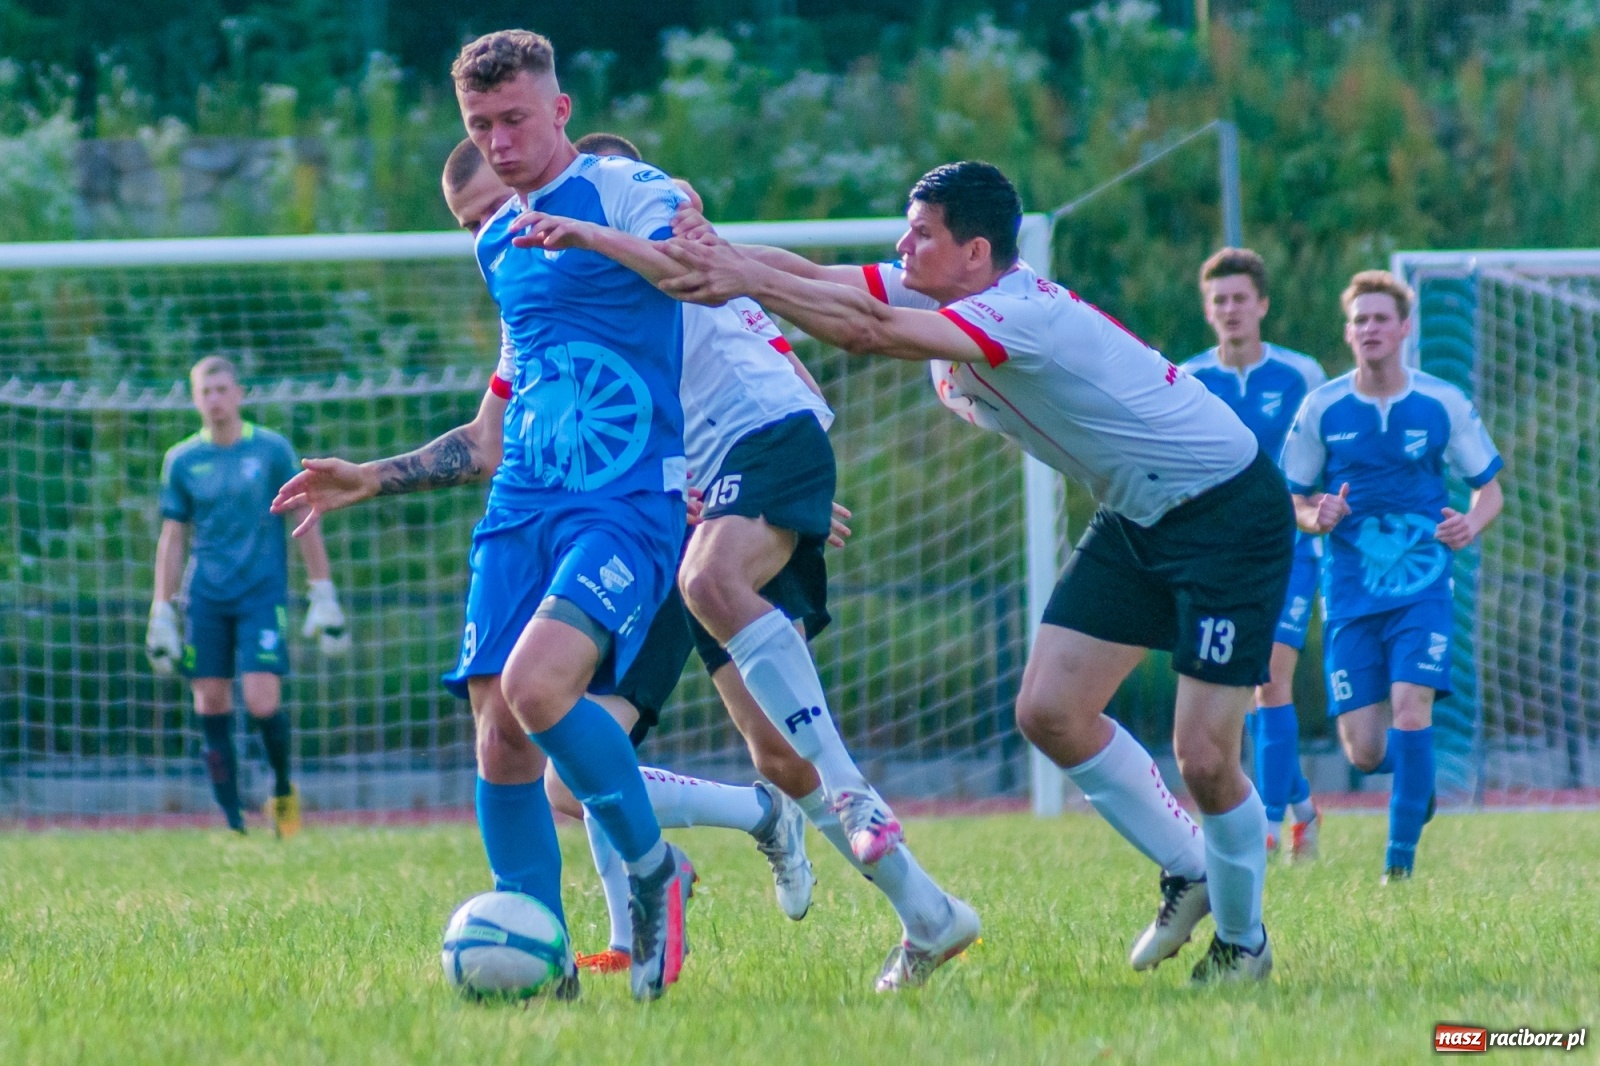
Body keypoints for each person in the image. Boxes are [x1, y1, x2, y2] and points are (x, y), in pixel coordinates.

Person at [567, 159, 1296, 983]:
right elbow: (816, 276)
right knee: (1051, 712)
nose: (901, 247)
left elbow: (867, 331)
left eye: (921, 235)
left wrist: (737, 277)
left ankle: (1244, 944)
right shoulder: (939, 290)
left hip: (1226, 512)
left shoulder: (1021, 313)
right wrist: (719, 251)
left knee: (1204, 758)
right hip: (1139, 514)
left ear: (976, 253)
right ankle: (1189, 869)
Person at [497, 132, 978, 990]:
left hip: (754, 452)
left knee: (710, 580)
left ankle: (852, 793)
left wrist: (782, 485)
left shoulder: (654, 229)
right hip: (680, 502)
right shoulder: (564, 297)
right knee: (756, 757)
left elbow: (774, 364)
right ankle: (927, 914)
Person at [274, 30, 694, 1002]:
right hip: (520, 508)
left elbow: (693, 273)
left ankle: (653, 870)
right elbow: (493, 428)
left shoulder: (629, 192)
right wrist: (369, 477)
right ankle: (543, 956)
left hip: (624, 500)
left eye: (514, 120)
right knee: (500, 733)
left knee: (539, 686)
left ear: (559, 109)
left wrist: (589, 236)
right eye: (480, 127)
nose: (499, 143)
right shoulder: (497, 240)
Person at [1282, 270, 1503, 883]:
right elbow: (1293, 499)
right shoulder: (1323, 407)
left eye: (1381, 318)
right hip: (1350, 594)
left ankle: (1397, 868)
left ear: (1405, 327)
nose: (1370, 328)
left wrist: (1470, 524)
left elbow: (1490, 489)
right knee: (1365, 750)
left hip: (1422, 589)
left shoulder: (1441, 402)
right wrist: (1317, 516)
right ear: (1348, 332)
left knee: (1411, 707)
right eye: (1360, 320)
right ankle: (1415, 776)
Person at [147, 355, 350, 837]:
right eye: (206, 392)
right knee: (210, 701)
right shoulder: (182, 460)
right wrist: (162, 609)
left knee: (261, 700)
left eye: (222, 389)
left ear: (238, 394)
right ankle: (233, 818)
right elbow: (173, 538)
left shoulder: (271, 450)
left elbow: (305, 519)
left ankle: (281, 792)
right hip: (205, 598)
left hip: (261, 594)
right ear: (195, 399)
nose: (215, 399)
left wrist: (322, 590)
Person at [1182, 248, 1326, 861]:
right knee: (1241, 694)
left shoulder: (1301, 375)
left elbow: (1323, 454)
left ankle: (1263, 829)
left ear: (1262, 305)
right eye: (1220, 300)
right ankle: (1302, 808)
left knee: (1271, 681)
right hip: (1222, 559)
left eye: (1241, 298)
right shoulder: (1189, 379)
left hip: (1291, 548)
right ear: (1207, 310)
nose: (1231, 309)